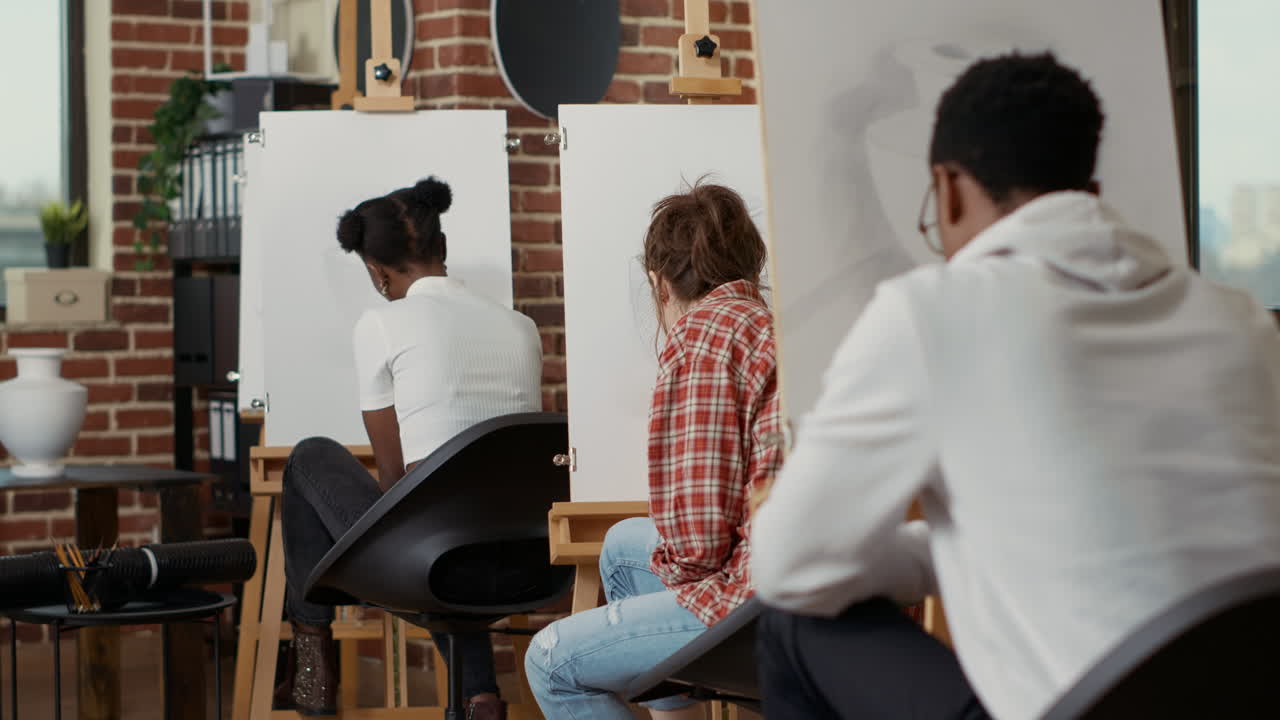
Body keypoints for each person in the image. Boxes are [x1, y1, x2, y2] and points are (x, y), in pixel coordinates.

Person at [751, 51, 1280, 720]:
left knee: (791, 622)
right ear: (1087, 190)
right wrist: (950, 541)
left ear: (947, 189)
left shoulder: (934, 312)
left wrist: (918, 553)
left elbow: (789, 564)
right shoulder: (1240, 322)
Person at [277, 177, 542, 719]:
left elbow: (394, 479)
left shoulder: (382, 323)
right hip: (528, 565)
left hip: (430, 569)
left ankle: (312, 669)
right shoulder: (522, 328)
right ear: (441, 250)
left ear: (377, 273)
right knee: (454, 522)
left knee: (309, 456)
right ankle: (479, 697)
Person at [524, 182, 783, 719]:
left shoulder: (703, 339)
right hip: (810, 580)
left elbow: (698, 543)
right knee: (622, 546)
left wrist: (679, 583)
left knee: (550, 661)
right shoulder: (770, 326)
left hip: (763, 603)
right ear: (750, 267)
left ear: (659, 283)